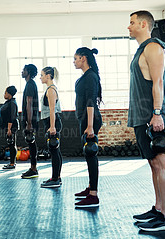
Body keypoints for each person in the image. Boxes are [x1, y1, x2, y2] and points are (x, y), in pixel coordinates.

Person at [127, 10, 165, 231]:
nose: (128, 27)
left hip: (153, 116)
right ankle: (159, 208)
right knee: (153, 164)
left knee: (161, 163)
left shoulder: (154, 47)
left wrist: (157, 113)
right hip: (142, 116)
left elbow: (158, 83)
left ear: (144, 24)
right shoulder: (141, 50)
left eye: (132, 23)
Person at [73, 47, 103, 208]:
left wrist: (90, 126)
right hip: (85, 119)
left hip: (90, 120)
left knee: (91, 153)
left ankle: (93, 195)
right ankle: (91, 187)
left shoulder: (90, 76)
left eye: (76, 58)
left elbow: (91, 101)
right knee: (88, 154)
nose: (74, 61)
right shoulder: (86, 76)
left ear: (83, 58)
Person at [39, 66, 63, 188]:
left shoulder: (51, 90)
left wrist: (52, 127)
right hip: (50, 122)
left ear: (48, 76)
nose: (40, 77)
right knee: (55, 150)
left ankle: (55, 179)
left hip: (51, 122)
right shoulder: (50, 89)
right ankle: (56, 177)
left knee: (54, 150)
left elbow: (52, 110)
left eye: (42, 75)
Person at [20, 64, 40, 179]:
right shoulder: (30, 84)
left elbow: (29, 104)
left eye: (24, 70)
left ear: (28, 72)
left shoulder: (30, 85)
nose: (22, 72)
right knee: (32, 144)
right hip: (31, 120)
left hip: (30, 121)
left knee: (31, 143)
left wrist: (29, 123)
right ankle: (33, 168)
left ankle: (33, 169)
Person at [0, 86, 19, 170]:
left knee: (11, 144)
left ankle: (12, 163)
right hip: (8, 127)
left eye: (5, 93)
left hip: (12, 127)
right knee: (10, 144)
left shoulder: (12, 103)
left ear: (9, 94)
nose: (4, 94)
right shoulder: (8, 102)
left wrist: (9, 129)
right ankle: (11, 163)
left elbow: (11, 117)